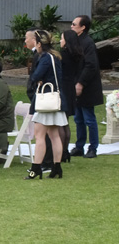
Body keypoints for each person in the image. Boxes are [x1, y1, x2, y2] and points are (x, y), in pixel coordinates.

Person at [24, 31, 68, 179]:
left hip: (45, 101)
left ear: (39, 43)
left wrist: (38, 80)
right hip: (56, 99)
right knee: (54, 135)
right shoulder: (55, 56)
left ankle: (36, 168)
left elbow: (36, 76)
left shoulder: (45, 58)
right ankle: (56, 167)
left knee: (40, 135)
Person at [69, 15, 103, 159]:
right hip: (76, 83)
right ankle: (79, 146)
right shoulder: (75, 42)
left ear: (83, 27)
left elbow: (91, 65)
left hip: (87, 86)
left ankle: (93, 147)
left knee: (89, 118)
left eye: (74, 24)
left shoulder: (88, 43)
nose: (71, 26)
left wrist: (81, 83)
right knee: (78, 118)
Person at [59, 30, 83, 160]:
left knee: (60, 123)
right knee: (65, 122)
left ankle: (61, 152)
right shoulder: (77, 55)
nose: (60, 41)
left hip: (63, 88)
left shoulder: (63, 55)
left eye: (62, 39)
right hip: (71, 88)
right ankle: (66, 151)